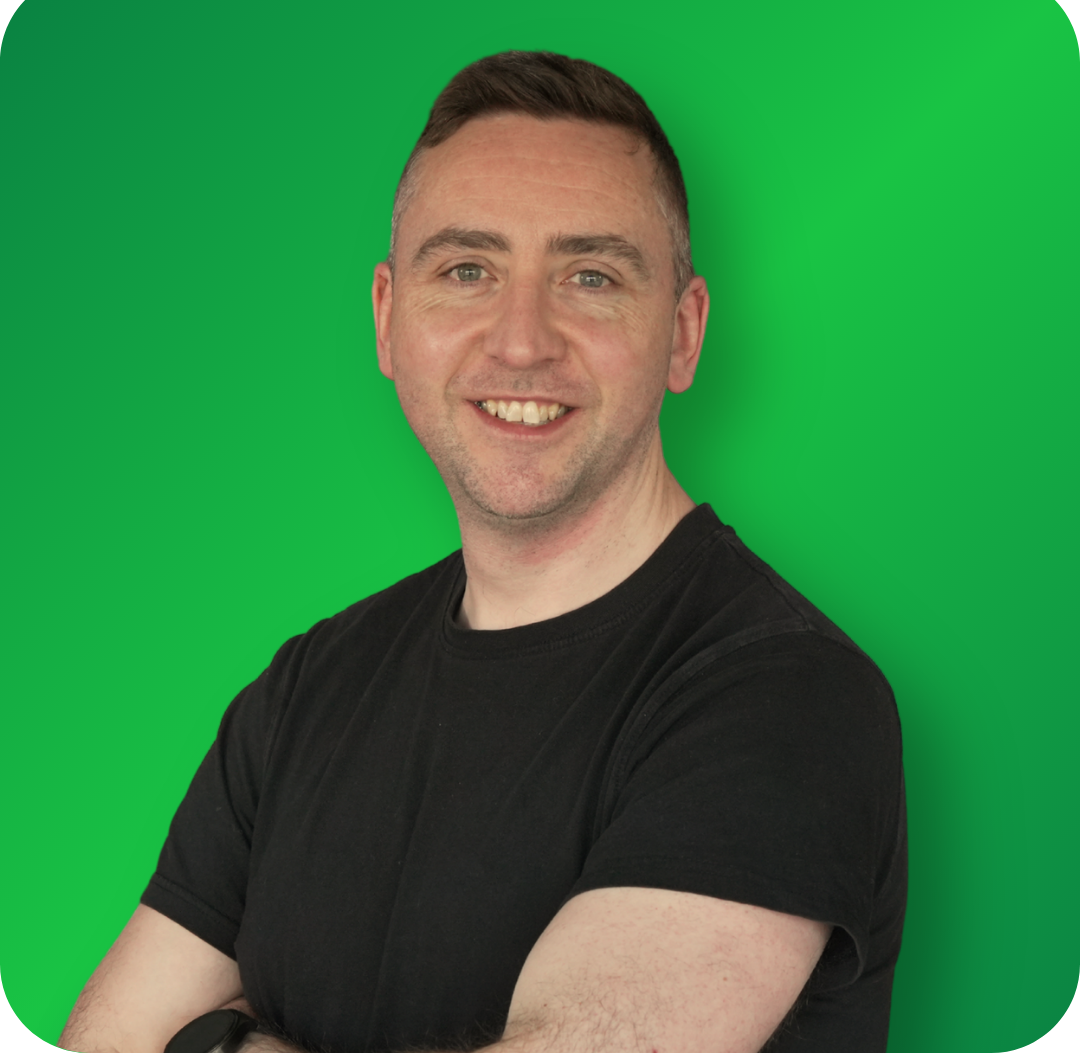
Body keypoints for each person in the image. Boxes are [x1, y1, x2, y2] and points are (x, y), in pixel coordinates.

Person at [59, 51, 906, 1053]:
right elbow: (102, 1041)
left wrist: (228, 1045)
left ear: (683, 334)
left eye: (590, 277)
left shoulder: (786, 697)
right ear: (388, 320)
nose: (520, 341)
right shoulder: (307, 689)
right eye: (468, 271)